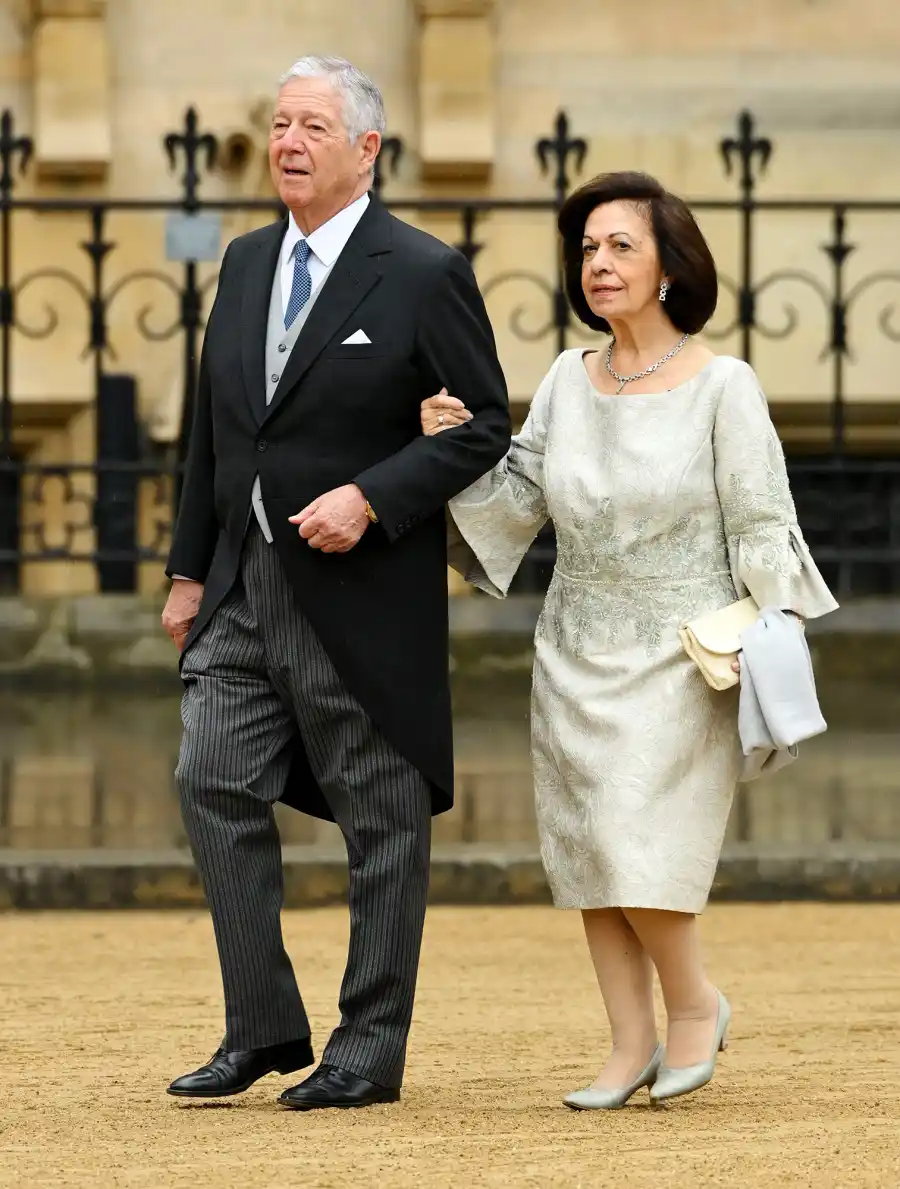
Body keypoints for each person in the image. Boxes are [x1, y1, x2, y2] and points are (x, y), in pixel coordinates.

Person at [421, 171, 838, 1108]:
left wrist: (773, 640)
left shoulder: (726, 385)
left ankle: (694, 1006)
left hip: (686, 656)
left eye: (620, 247)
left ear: (668, 268)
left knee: (638, 842)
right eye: (587, 249)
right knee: (589, 854)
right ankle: (627, 1040)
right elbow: (518, 500)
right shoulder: (569, 378)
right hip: (571, 646)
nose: (598, 264)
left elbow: (764, 521)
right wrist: (448, 451)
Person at [161, 55, 510, 1111]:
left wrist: (372, 494)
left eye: (313, 125)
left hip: (357, 595)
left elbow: (486, 421)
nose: (289, 142)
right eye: (278, 124)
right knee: (209, 775)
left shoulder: (421, 270)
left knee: (380, 814)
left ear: (367, 148)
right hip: (238, 586)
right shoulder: (245, 260)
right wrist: (186, 571)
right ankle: (262, 1026)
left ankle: (369, 1044)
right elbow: (212, 437)